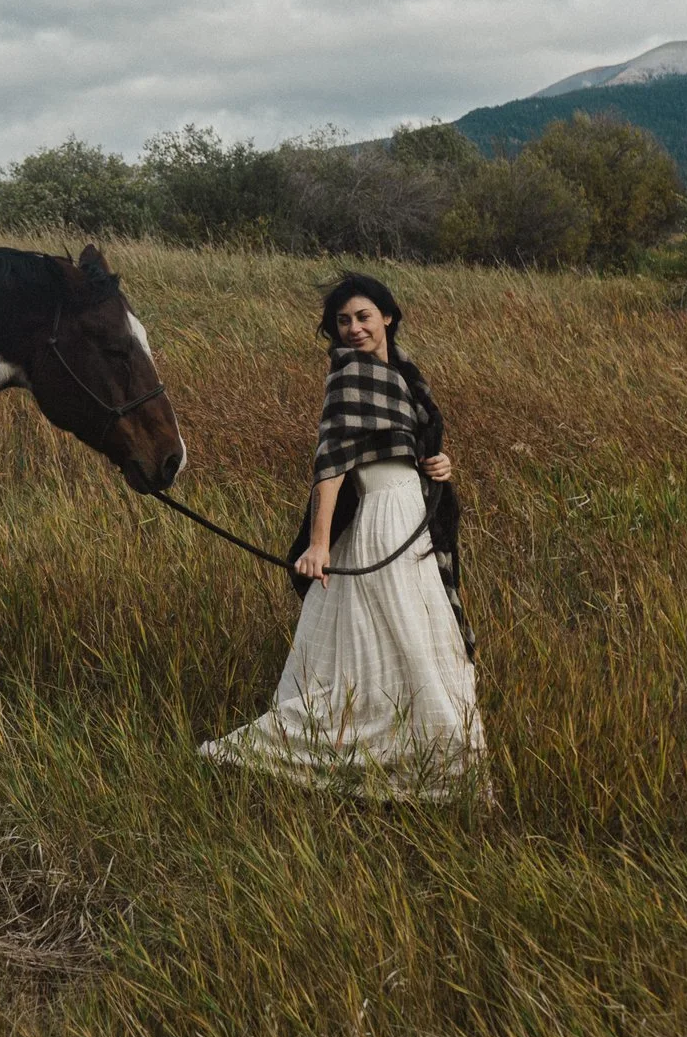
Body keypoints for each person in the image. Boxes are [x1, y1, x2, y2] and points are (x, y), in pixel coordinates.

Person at [200, 274, 485, 799]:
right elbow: (330, 467)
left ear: (388, 317)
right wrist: (318, 543)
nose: (354, 328)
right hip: (378, 521)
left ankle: (425, 765)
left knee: (424, 639)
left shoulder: (405, 377)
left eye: (363, 316)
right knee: (397, 641)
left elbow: (412, 452)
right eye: (343, 321)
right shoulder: (349, 376)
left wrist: (439, 464)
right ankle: (418, 764)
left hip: (413, 519)